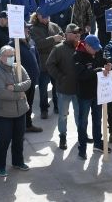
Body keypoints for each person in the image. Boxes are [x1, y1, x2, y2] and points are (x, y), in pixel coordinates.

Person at [0, 46, 31, 177]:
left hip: (20, 111)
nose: (11, 58)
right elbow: (0, 93)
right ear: (2, 57)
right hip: (4, 113)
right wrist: (19, 95)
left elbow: (28, 82)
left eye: (12, 55)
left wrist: (14, 87)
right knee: (4, 140)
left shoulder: (18, 67)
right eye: (8, 55)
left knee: (19, 138)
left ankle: (18, 161)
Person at [45, 23, 82, 151]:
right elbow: (49, 65)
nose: (78, 35)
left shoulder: (81, 47)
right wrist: (60, 77)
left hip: (78, 90)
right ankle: (63, 136)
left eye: (79, 33)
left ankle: (81, 135)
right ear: (67, 35)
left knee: (80, 115)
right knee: (63, 116)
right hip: (63, 90)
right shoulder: (58, 49)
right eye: (75, 32)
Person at [74, 34, 111, 158]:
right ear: (87, 45)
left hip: (98, 93)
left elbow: (104, 61)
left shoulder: (98, 52)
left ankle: (98, 143)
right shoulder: (77, 56)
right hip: (84, 94)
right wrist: (98, 70)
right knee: (83, 122)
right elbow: (81, 75)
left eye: (97, 47)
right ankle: (82, 148)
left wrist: (108, 65)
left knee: (97, 120)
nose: (96, 50)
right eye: (94, 48)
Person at [28, 11, 63, 121]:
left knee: (57, 86)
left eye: (47, 14)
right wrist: (53, 39)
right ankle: (44, 109)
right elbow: (37, 44)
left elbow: (61, 36)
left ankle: (57, 106)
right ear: (38, 16)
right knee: (43, 88)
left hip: (55, 63)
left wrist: (61, 38)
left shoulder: (54, 26)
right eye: (43, 15)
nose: (46, 17)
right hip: (43, 64)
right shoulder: (33, 29)